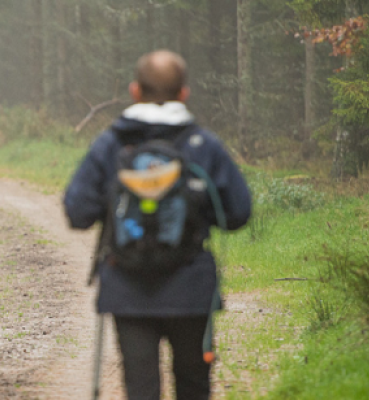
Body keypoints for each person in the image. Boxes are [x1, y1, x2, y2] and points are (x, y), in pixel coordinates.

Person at [63, 50, 252, 400]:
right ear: (184, 93)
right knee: (193, 384)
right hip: (191, 288)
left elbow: (77, 212)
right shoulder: (203, 145)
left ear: (135, 91)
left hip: (127, 287)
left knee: (141, 387)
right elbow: (238, 214)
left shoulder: (111, 144)